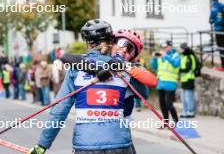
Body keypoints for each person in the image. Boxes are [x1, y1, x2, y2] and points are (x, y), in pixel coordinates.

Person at [28, 19, 149, 154]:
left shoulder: (76, 69)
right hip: (120, 144)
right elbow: (144, 95)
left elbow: (59, 111)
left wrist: (42, 145)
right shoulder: (126, 68)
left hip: (86, 145)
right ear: (111, 41)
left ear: (88, 43)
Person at [151, 40, 180, 128]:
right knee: (162, 105)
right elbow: (154, 67)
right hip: (161, 83)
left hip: (170, 83)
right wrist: (154, 59)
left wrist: (166, 56)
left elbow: (176, 64)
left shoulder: (176, 55)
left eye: (166, 47)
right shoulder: (161, 56)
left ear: (170, 46)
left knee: (169, 104)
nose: (164, 49)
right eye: (163, 47)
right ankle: (165, 122)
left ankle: (175, 121)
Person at [179, 43, 196, 118]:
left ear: (184, 49)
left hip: (189, 79)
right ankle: (185, 111)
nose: (179, 50)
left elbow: (187, 68)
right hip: (184, 79)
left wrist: (179, 70)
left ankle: (191, 112)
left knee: (189, 97)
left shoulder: (190, 56)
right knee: (183, 97)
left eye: (180, 49)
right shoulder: (183, 56)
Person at [209, 0, 224, 71]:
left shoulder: (214, 9)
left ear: (212, 2)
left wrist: (213, 20)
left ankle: (223, 66)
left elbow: (211, 20)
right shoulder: (222, 6)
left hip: (219, 31)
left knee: (221, 48)